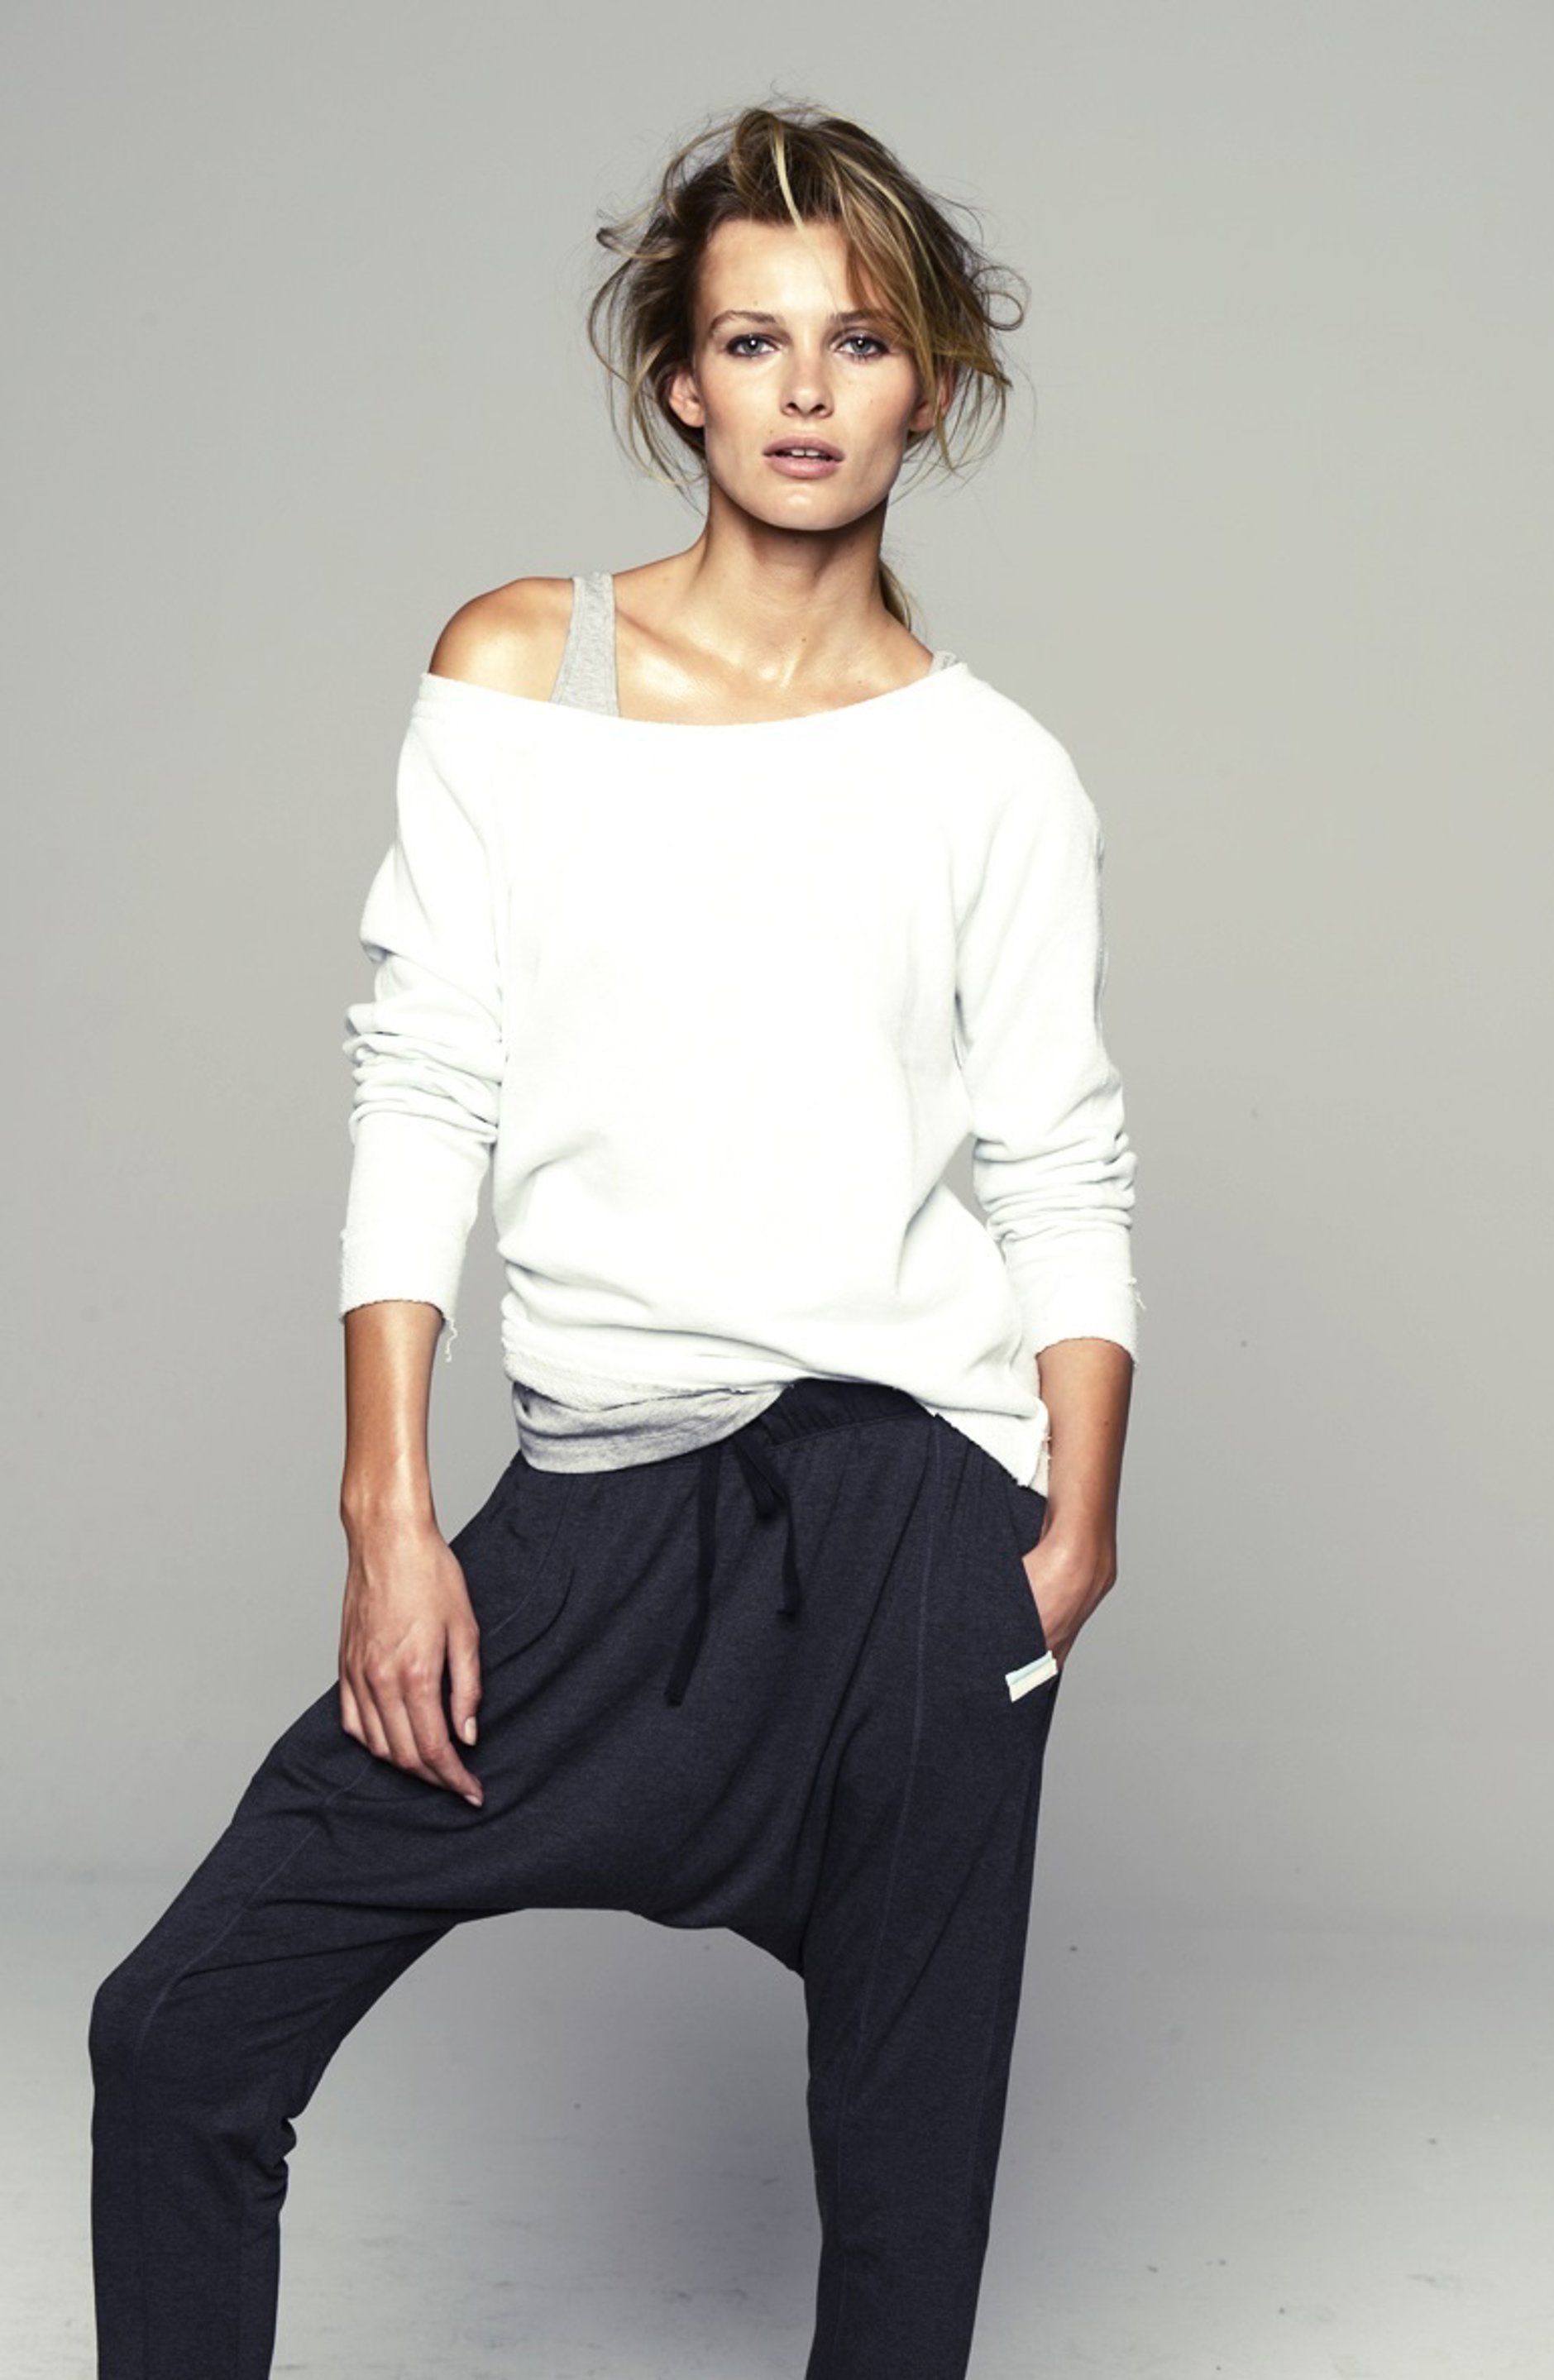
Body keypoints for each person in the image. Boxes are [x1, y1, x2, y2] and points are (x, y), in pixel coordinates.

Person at [87, 97, 1142, 2380]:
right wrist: (387, 1508)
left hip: (916, 1521)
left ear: (929, 384)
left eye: (858, 340)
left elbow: (1061, 1161)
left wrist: (1069, 1537)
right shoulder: (521, 669)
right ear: (679, 376)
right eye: (753, 340)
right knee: (180, 2033)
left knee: (906, 2183)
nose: (803, 390)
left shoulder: (995, 776)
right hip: (607, 1511)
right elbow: (424, 1082)